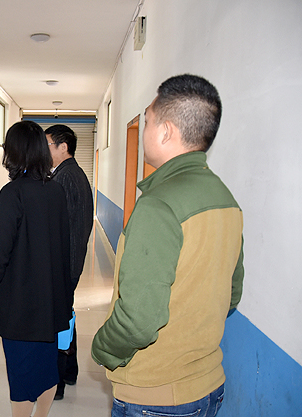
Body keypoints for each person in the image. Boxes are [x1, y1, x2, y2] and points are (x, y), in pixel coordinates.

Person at [91, 74, 244, 417]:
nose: (144, 130)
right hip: (208, 385)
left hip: (155, 395)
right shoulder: (226, 199)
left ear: (165, 131)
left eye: (148, 120)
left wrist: (102, 348)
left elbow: (139, 321)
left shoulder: (158, 205)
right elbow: (232, 295)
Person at [0, 121, 73, 417]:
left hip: (19, 303)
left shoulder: (12, 192)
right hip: (50, 302)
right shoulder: (56, 190)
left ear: (14, 152)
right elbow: (64, 247)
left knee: (20, 373)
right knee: (46, 369)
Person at [45, 124, 93, 400]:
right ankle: (70, 372)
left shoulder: (65, 178)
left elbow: (57, 229)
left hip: (63, 264)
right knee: (65, 316)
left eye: (48, 145)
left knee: (57, 322)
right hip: (69, 262)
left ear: (63, 147)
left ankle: (57, 382)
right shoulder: (71, 173)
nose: (44, 151)